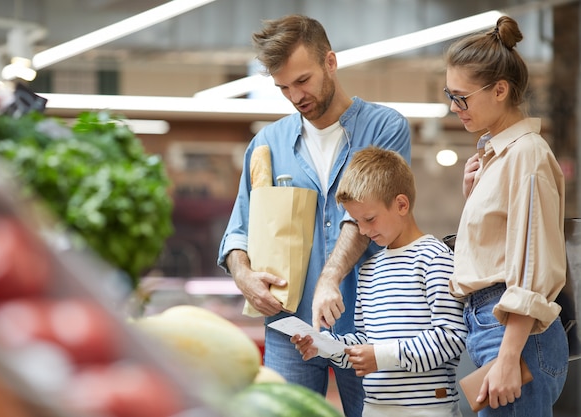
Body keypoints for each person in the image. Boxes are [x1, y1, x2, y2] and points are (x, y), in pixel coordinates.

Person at [217, 14, 411, 417]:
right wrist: (245, 277)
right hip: (290, 329)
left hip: (368, 328)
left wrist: (329, 278)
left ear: (330, 62)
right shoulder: (268, 144)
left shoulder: (384, 128)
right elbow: (238, 231)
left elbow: (363, 217)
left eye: (302, 81)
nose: (294, 96)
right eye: (283, 87)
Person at [444, 15, 568, 416]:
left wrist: (509, 356)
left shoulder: (527, 155)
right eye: (450, 93)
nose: (453, 106)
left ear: (499, 90)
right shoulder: (499, 157)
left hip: (513, 332)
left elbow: (532, 264)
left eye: (461, 97)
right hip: (493, 326)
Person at [292, 146, 468, 417]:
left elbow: (451, 338)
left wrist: (381, 356)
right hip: (374, 409)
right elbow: (366, 340)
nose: (362, 230)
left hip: (429, 410)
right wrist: (325, 346)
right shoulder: (369, 269)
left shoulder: (434, 259)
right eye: (356, 221)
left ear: (401, 204)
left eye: (370, 219)